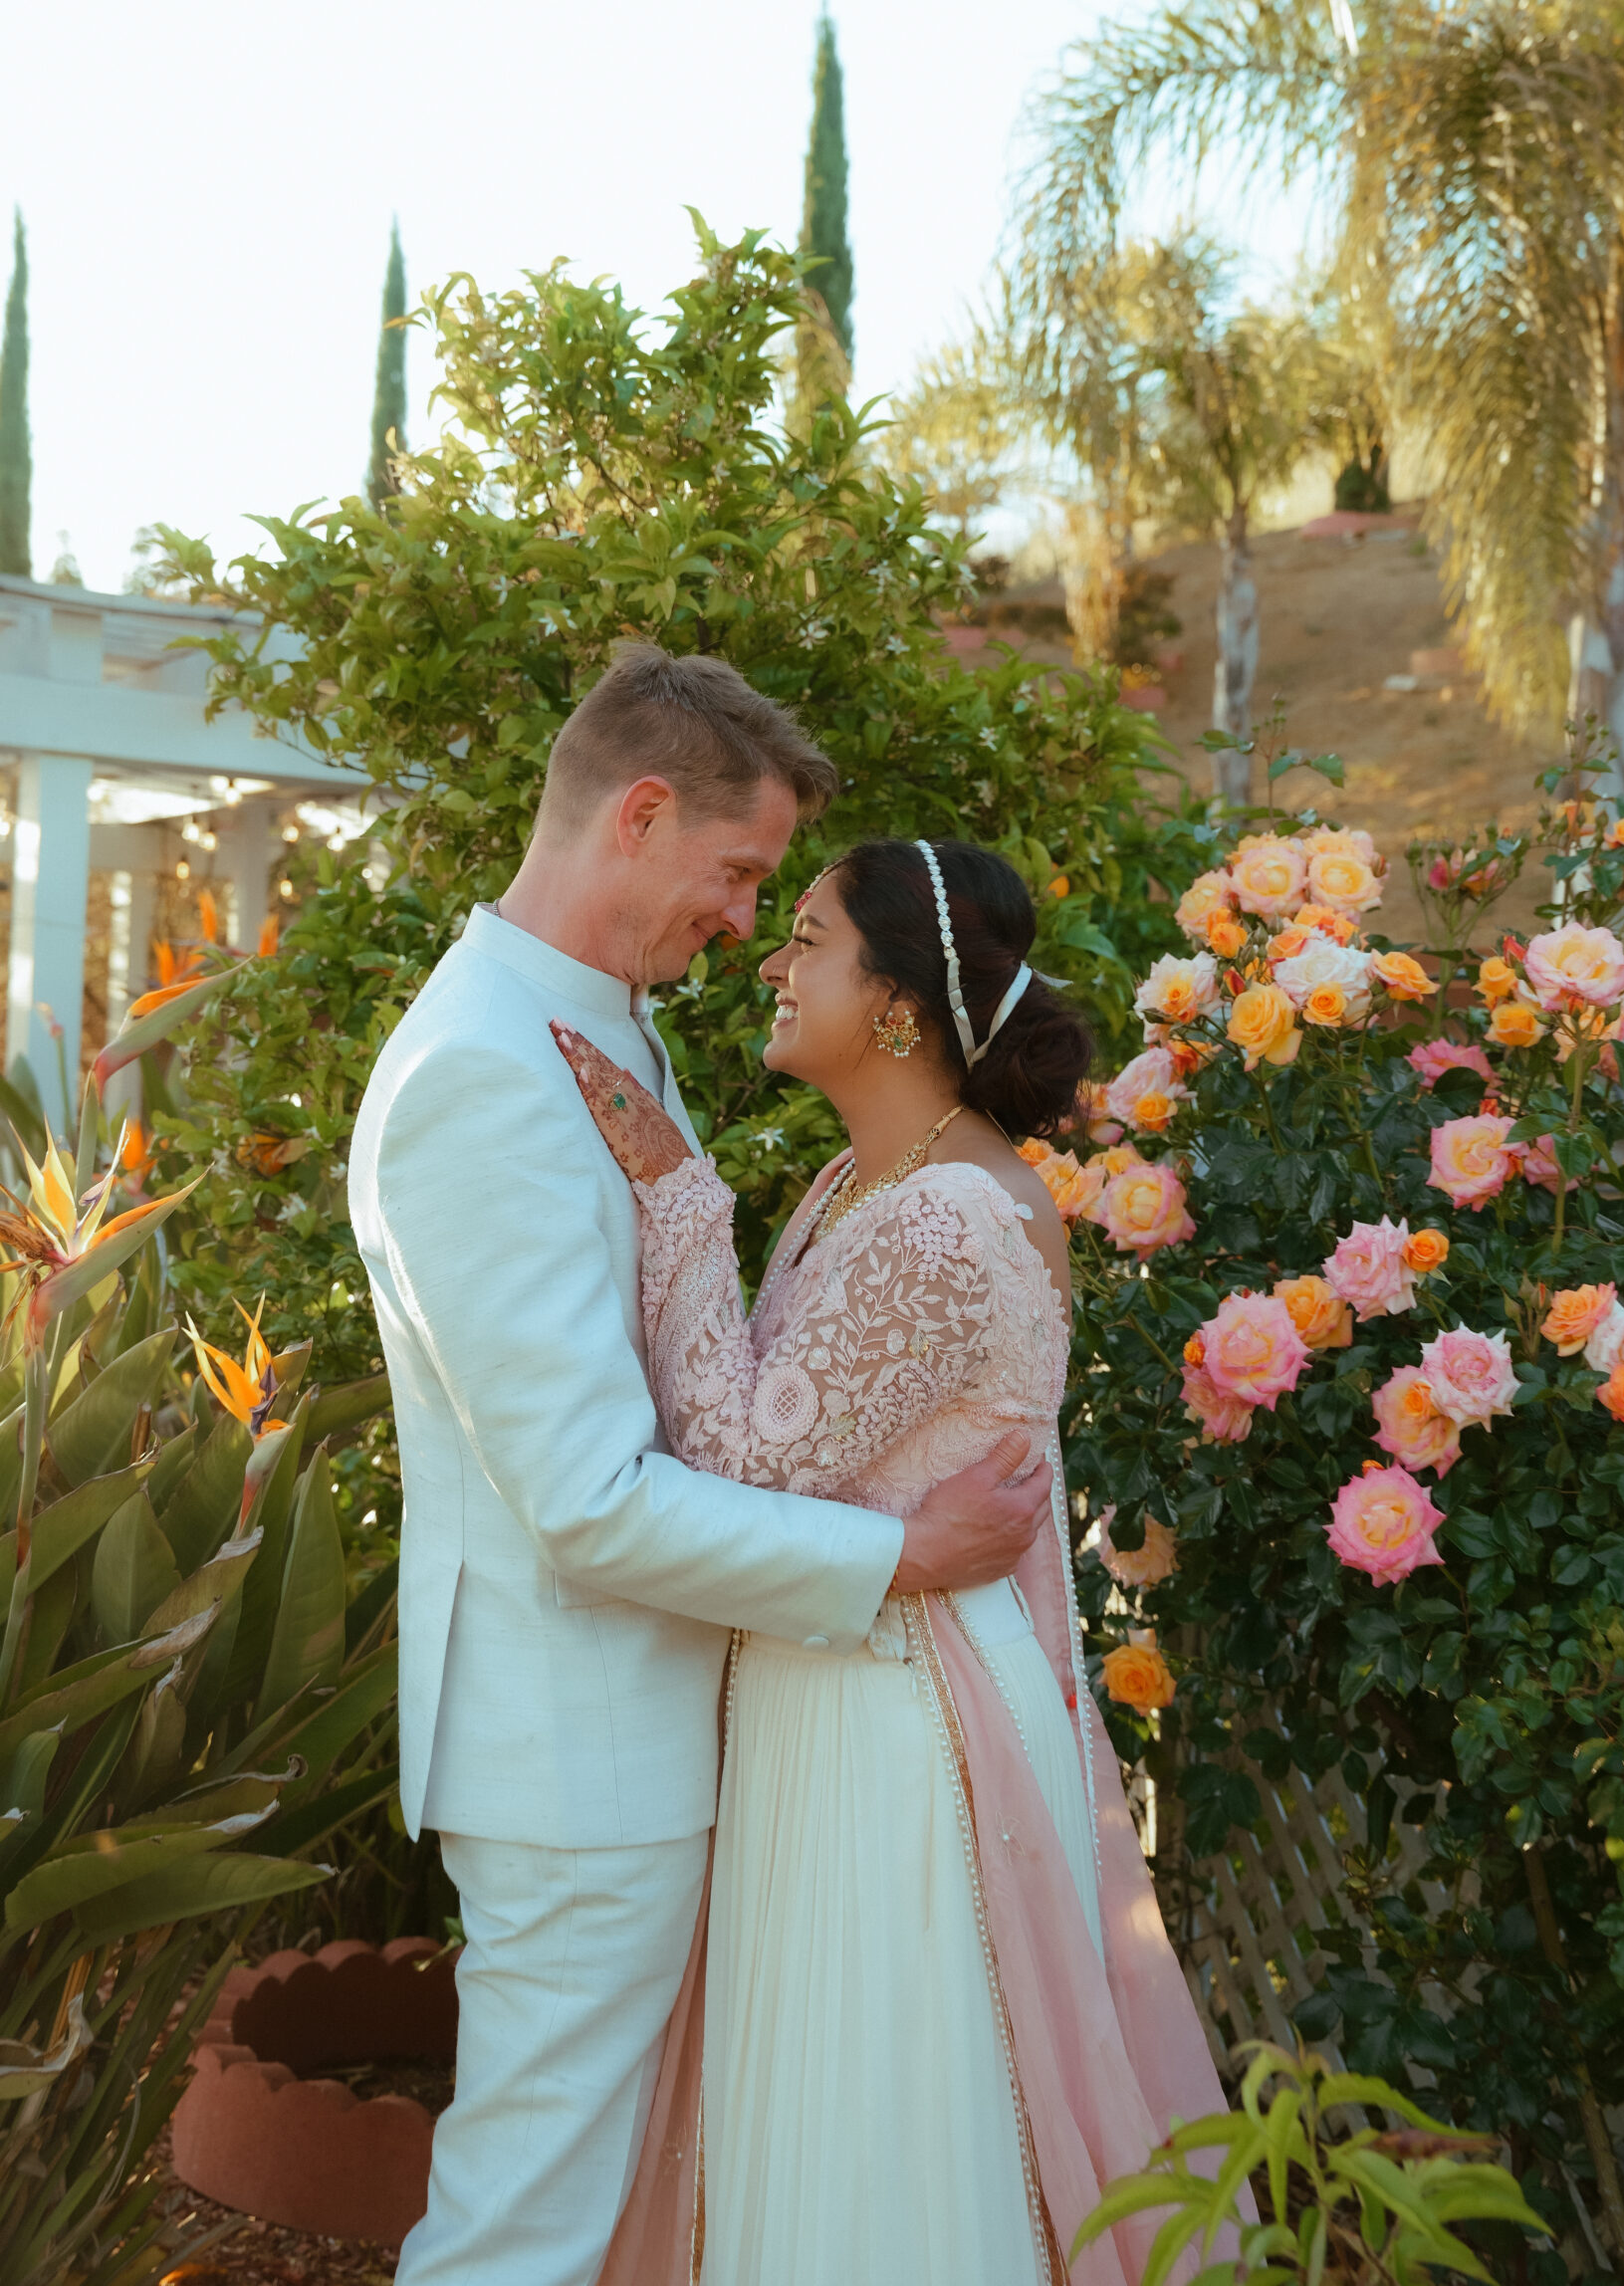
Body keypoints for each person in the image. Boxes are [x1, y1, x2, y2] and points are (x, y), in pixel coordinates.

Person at [348, 644, 1050, 2286]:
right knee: (528, 2225)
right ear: (641, 815)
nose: (745, 922)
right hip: (576, 1750)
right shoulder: (486, 1076)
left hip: (638, 1731)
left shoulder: (597, 1039)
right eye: (738, 874)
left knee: (584, 2212)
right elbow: (590, 1497)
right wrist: (894, 1561)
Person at [559, 834, 1230, 2286]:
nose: (773, 960)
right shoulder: (862, 1185)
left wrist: (677, 1195)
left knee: (875, 2119)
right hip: (838, 1673)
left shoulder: (943, 1215)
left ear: (898, 1007)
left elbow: (736, 1452)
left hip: (901, 1717)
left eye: (806, 938)